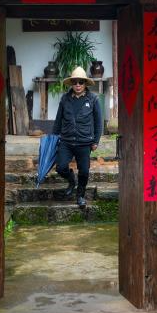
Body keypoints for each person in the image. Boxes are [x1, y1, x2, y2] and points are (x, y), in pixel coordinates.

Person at [52, 66, 102, 208]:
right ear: (72, 84)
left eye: (81, 82)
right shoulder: (65, 99)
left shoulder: (93, 99)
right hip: (66, 141)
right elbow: (58, 120)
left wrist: (96, 141)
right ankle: (71, 180)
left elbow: (98, 122)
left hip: (84, 142)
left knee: (84, 171)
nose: (78, 85)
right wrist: (53, 138)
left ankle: (80, 195)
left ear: (85, 84)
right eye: (75, 82)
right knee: (60, 167)